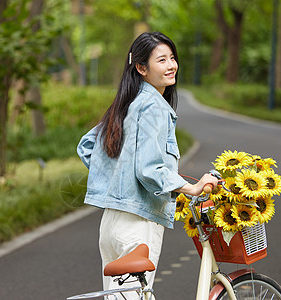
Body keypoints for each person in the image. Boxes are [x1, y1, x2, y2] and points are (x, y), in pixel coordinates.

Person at [77, 32, 217, 298]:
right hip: (138, 224)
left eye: (172, 58)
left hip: (111, 223)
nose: (171, 65)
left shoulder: (126, 102)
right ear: (141, 68)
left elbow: (86, 147)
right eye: (161, 60)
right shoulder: (155, 106)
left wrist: (117, 178)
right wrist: (192, 188)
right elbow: (149, 169)